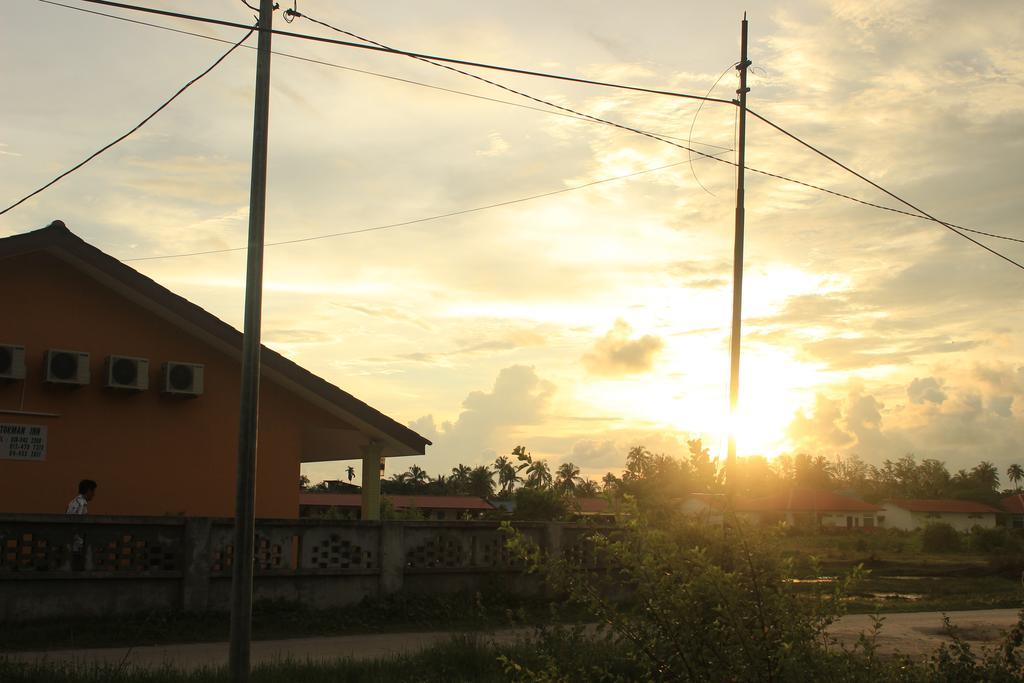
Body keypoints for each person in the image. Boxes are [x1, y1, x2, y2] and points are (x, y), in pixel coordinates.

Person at [67, 479, 96, 570]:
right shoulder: (82, 504)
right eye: (93, 491)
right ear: (88, 491)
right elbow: (79, 524)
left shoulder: (73, 501)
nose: (93, 494)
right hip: (77, 544)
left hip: (70, 541)